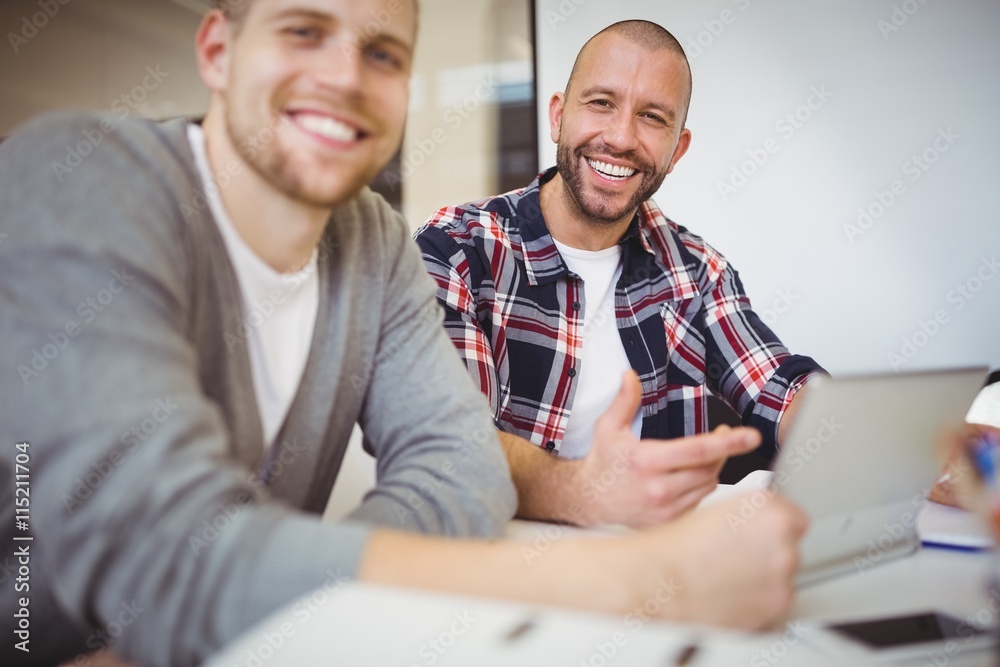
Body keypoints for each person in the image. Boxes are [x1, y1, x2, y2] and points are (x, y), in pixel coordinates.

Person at [0, 3, 807, 665]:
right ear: (217, 49)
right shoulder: (74, 176)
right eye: (303, 31)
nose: (346, 76)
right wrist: (635, 581)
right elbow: (168, 569)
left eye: (384, 54)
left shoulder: (373, 244)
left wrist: (262, 604)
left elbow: (464, 472)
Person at [415, 20, 824, 528]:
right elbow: (450, 443)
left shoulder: (697, 271)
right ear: (559, 116)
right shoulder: (456, 247)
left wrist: (877, 439)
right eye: (601, 103)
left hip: (654, 577)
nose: (621, 137)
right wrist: (585, 493)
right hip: (496, 571)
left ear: (678, 149)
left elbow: (777, 388)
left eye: (652, 117)